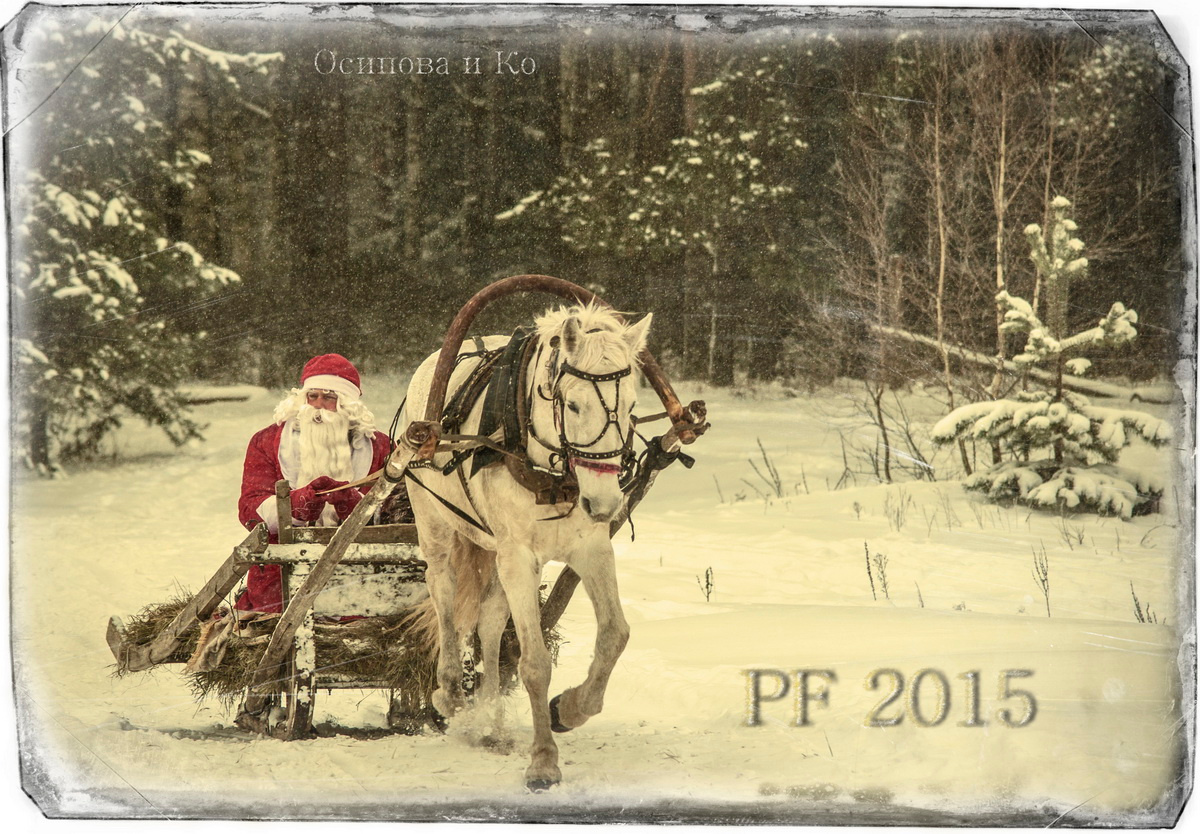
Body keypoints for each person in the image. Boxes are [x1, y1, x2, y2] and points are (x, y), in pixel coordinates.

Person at [235, 353, 393, 614]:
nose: (318, 406)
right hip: (282, 571)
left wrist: (352, 506)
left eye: (329, 397)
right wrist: (294, 506)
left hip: (360, 568)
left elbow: (397, 514)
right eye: (313, 396)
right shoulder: (266, 442)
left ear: (347, 405)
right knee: (275, 613)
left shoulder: (381, 447)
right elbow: (249, 510)